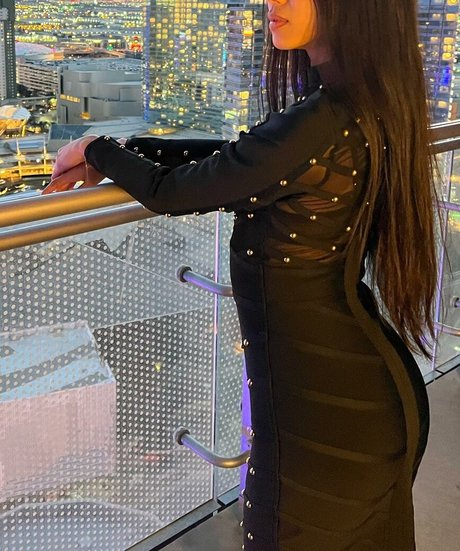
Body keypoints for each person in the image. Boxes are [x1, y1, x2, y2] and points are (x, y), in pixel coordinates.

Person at [44, 1, 438, 549]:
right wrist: (128, 151)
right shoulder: (360, 105)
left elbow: (175, 192)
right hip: (357, 400)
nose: (274, 1)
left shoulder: (324, 117)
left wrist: (95, 147)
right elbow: (235, 162)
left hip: (326, 422)